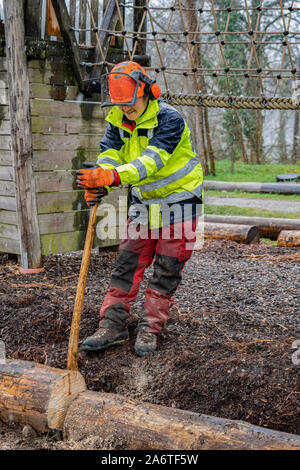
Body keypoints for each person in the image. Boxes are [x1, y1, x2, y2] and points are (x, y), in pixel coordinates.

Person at [77, 61, 203, 356]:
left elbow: (150, 161)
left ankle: (150, 327)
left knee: (167, 267)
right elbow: (110, 153)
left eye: (131, 104)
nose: (126, 110)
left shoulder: (170, 120)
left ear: (148, 92)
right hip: (144, 203)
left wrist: (113, 176)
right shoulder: (117, 119)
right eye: (121, 105)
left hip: (179, 200)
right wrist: (100, 179)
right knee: (128, 262)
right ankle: (113, 324)